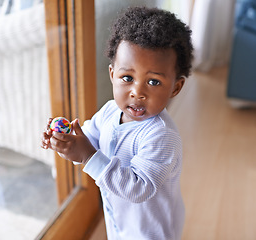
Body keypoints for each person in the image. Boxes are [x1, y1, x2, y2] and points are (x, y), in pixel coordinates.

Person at [41, 6, 193, 240]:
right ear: (112, 74)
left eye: (153, 82)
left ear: (175, 87)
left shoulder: (161, 136)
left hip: (151, 232)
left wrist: (88, 156)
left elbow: (138, 188)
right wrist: (66, 143)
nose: (137, 92)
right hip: (120, 222)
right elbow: (87, 143)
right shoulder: (110, 111)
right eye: (127, 78)